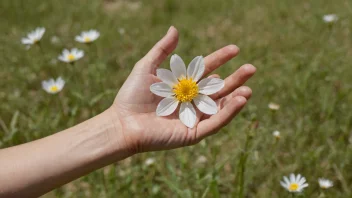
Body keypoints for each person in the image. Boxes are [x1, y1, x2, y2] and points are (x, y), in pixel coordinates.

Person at [0, 26, 256, 198]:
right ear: (176, 85)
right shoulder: (172, 90)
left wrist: (118, 127)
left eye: (187, 86)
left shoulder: (191, 91)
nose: (186, 86)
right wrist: (120, 126)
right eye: (183, 86)